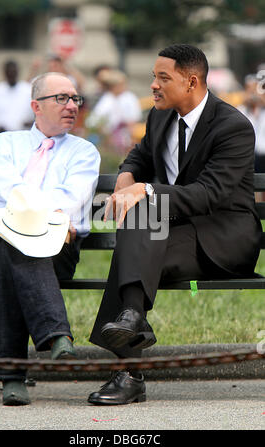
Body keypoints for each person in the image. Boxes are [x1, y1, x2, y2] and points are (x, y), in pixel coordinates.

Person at [88, 44, 262, 405]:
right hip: (169, 235)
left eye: (162, 78)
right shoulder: (160, 116)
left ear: (192, 81)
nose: (153, 84)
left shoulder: (233, 127)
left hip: (222, 239)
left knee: (133, 246)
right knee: (140, 222)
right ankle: (133, 317)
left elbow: (208, 195)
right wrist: (127, 175)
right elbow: (140, 153)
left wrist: (146, 188)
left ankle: (129, 372)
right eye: (154, 76)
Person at [0, 72, 100, 406]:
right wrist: (35, 205)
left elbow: (71, 199)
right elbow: (0, 186)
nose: (72, 106)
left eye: (75, 99)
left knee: (11, 248)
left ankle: (11, 375)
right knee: (12, 241)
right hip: (3, 239)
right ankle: (57, 333)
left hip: (58, 247)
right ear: (35, 106)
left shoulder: (85, 153)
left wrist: (14, 206)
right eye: (62, 98)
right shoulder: (3, 144)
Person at [86, 69, 142, 153]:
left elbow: (133, 120)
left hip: (125, 137)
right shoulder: (106, 99)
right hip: (106, 139)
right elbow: (94, 121)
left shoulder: (129, 97)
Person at [0, 60, 34, 133]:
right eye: (9, 72)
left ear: (17, 72)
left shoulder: (28, 90)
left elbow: (39, 112)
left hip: (24, 134)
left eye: (13, 72)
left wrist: (31, 123)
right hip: (0, 136)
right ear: (4, 73)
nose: (11, 74)